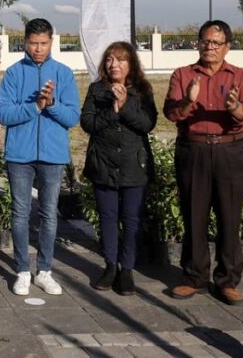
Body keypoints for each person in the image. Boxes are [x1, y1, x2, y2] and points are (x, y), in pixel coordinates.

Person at [163, 20, 243, 305]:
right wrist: (187, 102)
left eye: (216, 42)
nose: (210, 46)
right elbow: (171, 112)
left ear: (227, 47)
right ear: (198, 43)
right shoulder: (183, 75)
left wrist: (236, 109)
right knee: (194, 215)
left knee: (229, 216)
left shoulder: (240, 77)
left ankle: (227, 280)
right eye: (205, 41)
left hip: (229, 152)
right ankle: (194, 277)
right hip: (192, 151)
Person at [0, 18, 80, 296]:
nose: (38, 49)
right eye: (33, 43)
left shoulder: (64, 74)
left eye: (44, 43)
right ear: (24, 42)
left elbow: (72, 118)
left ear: (51, 42)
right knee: (20, 213)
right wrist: (35, 106)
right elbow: (4, 114)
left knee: (49, 214)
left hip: (53, 154)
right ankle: (22, 269)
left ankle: (44, 270)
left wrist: (53, 104)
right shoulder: (13, 73)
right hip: (19, 155)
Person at [80, 41, 157, 296]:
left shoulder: (143, 90)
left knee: (132, 220)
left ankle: (127, 269)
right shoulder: (96, 90)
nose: (114, 65)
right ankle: (110, 265)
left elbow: (147, 123)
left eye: (121, 60)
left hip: (134, 165)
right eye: (110, 59)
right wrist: (112, 111)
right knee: (108, 218)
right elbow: (88, 123)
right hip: (103, 163)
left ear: (131, 64)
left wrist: (125, 106)